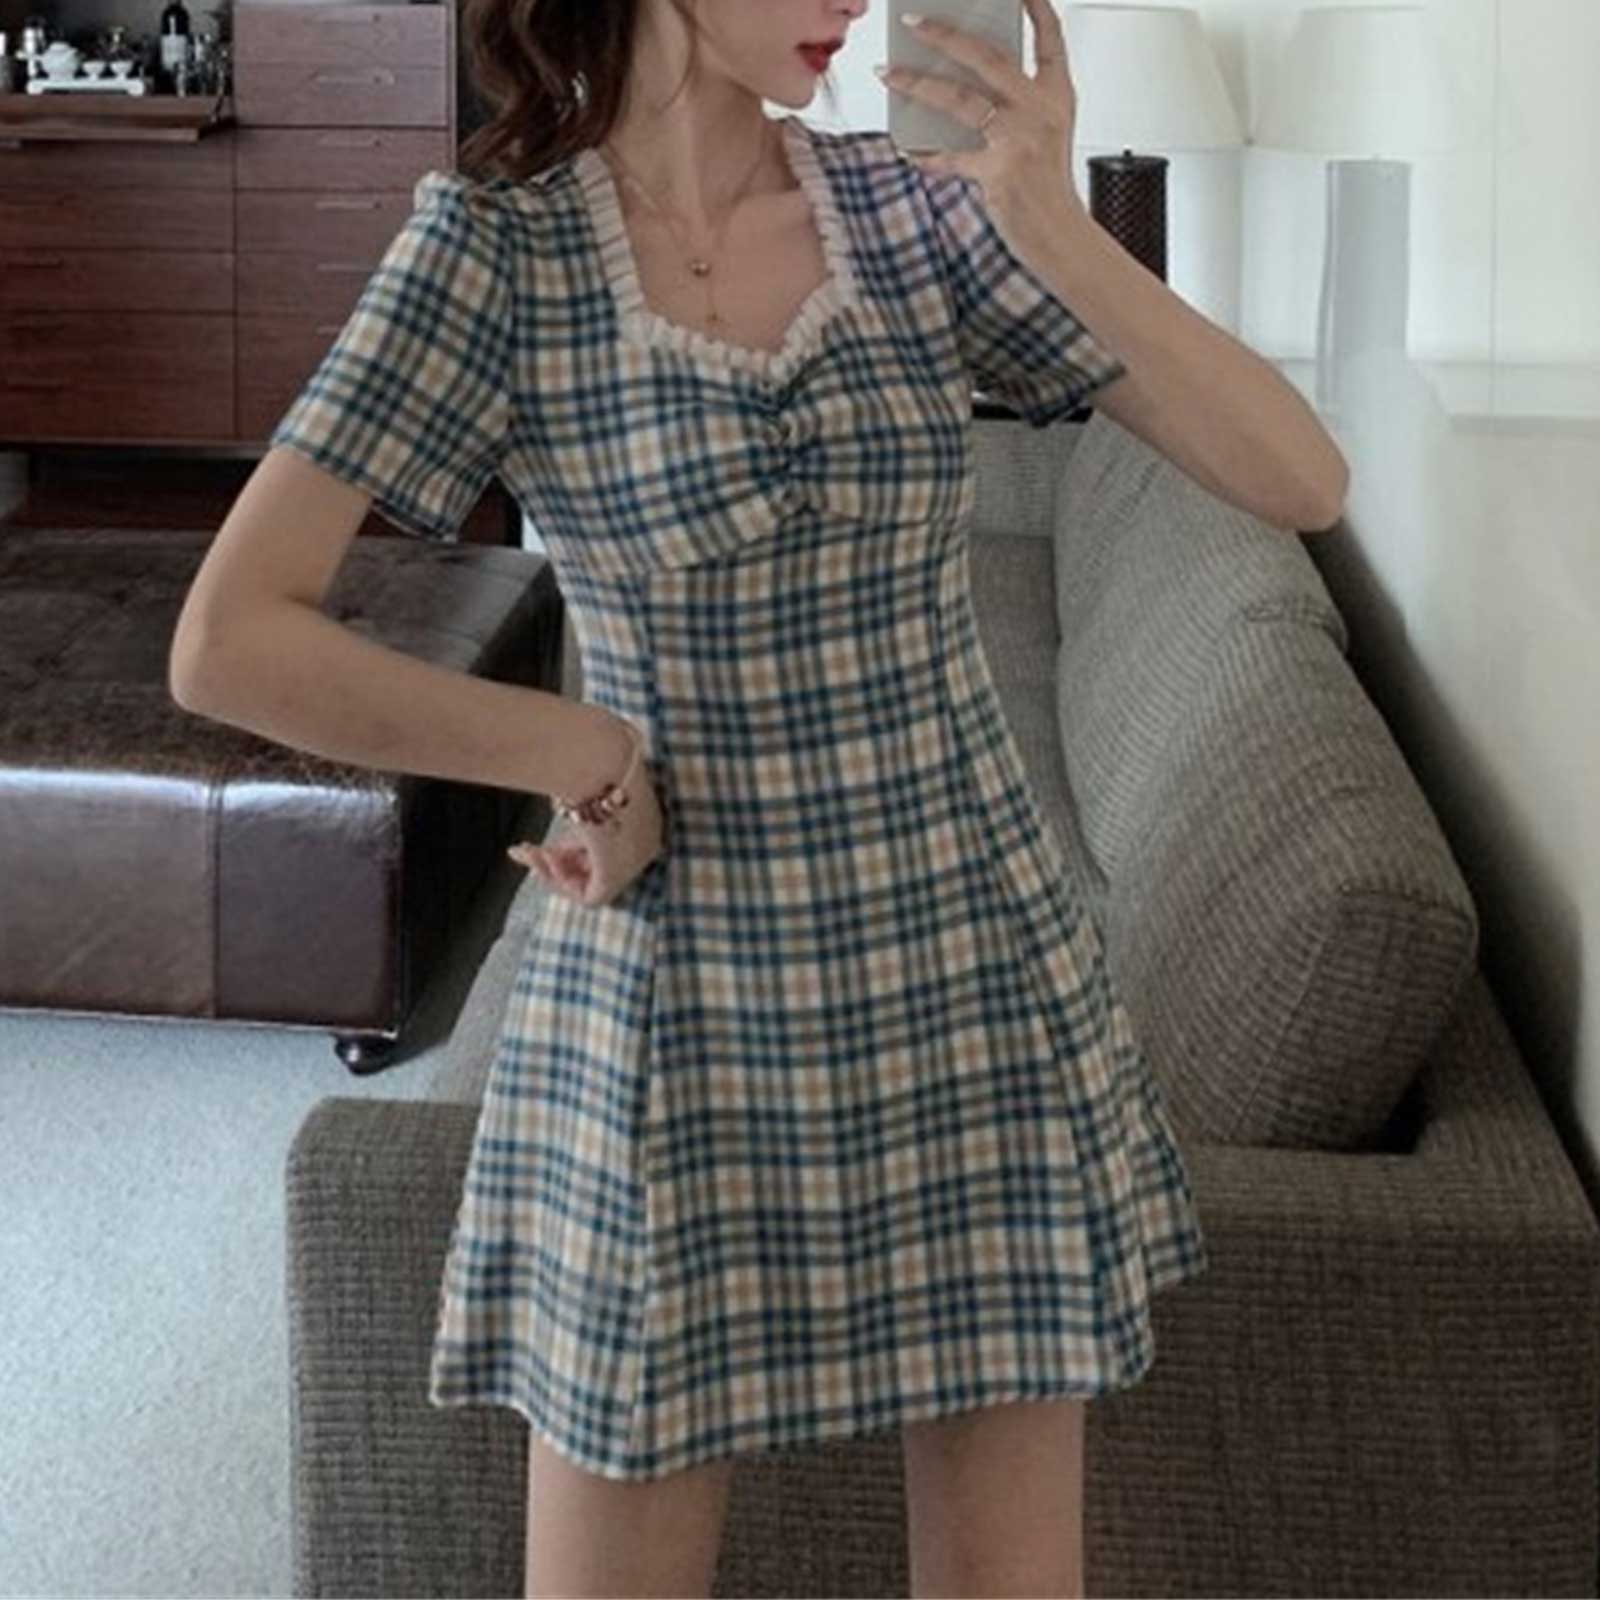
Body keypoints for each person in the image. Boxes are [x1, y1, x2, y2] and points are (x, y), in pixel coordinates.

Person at [170, 1, 1224, 1595]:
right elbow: (231, 641)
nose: (852, 0)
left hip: (975, 973)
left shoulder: (916, 214)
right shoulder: (499, 254)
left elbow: (1300, 475)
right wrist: (578, 751)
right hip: (674, 1004)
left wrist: (1057, 226)